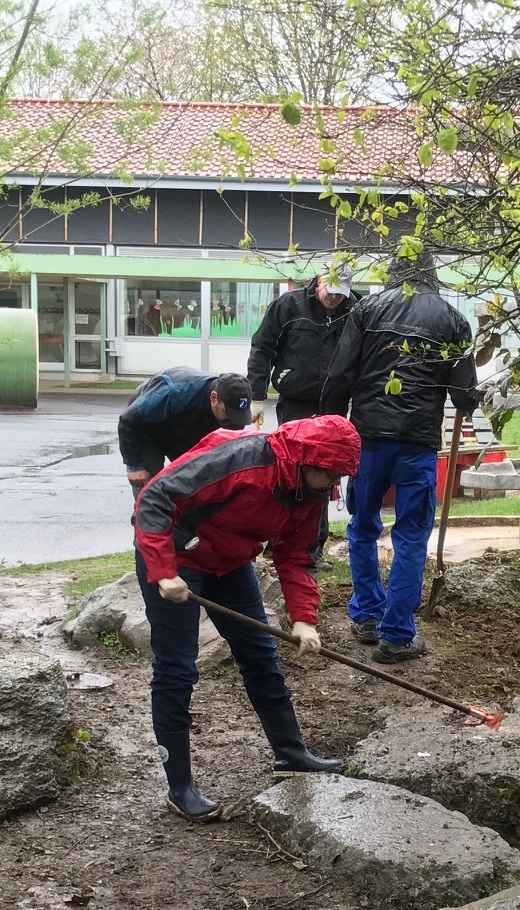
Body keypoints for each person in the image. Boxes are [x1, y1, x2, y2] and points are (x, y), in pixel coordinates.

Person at [133, 413, 363, 820]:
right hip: (177, 555)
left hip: (231, 562)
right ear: (308, 461)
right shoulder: (241, 461)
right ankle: (180, 786)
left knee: (260, 655)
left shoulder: (309, 491)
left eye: (339, 477)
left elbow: (296, 555)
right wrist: (163, 571)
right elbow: (155, 497)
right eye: (330, 475)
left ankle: (291, 754)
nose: (333, 485)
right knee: (177, 668)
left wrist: (304, 619)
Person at [319, 250, 479, 663]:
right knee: (410, 536)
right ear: (432, 274)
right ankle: (396, 636)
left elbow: (339, 375)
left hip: (368, 440)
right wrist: (470, 395)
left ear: (393, 272)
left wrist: (331, 433)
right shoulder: (453, 321)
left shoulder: (367, 310)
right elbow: (463, 395)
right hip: (417, 444)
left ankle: (368, 615)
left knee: (362, 526)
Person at [248, 262, 360, 568]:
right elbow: (262, 348)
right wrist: (257, 394)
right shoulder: (289, 306)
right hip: (296, 401)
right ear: (319, 281)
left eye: (341, 293)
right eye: (331, 291)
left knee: (323, 475)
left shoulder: (355, 310)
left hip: (334, 403)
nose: (334, 298)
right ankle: (277, 544)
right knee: (290, 471)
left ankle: (312, 549)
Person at [116, 367, 251, 490]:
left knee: (195, 483)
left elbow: (227, 452)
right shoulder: (173, 392)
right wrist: (134, 466)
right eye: (228, 413)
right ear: (214, 398)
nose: (233, 422)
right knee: (151, 486)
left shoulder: (233, 414)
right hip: (147, 428)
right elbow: (129, 420)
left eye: (238, 415)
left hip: (182, 430)